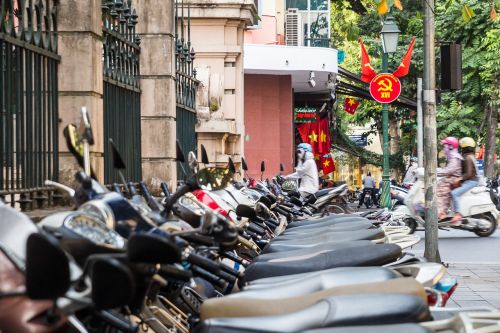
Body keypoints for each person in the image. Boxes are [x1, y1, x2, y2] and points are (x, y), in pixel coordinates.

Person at [449, 137, 480, 224]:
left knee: (454, 193)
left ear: (464, 148)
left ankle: (458, 214)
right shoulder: (469, 156)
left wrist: (459, 179)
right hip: (471, 180)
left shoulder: (468, 158)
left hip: (472, 181)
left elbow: (468, 174)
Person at [437, 137, 463, 222]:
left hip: (453, 180)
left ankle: (442, 213)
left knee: (440, 191)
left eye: (445, 146)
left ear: (450, 147)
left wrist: (435, 171)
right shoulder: (452, 156)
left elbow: (449, 170)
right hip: (451, 178)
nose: (444, 148)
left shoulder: (454, 158)